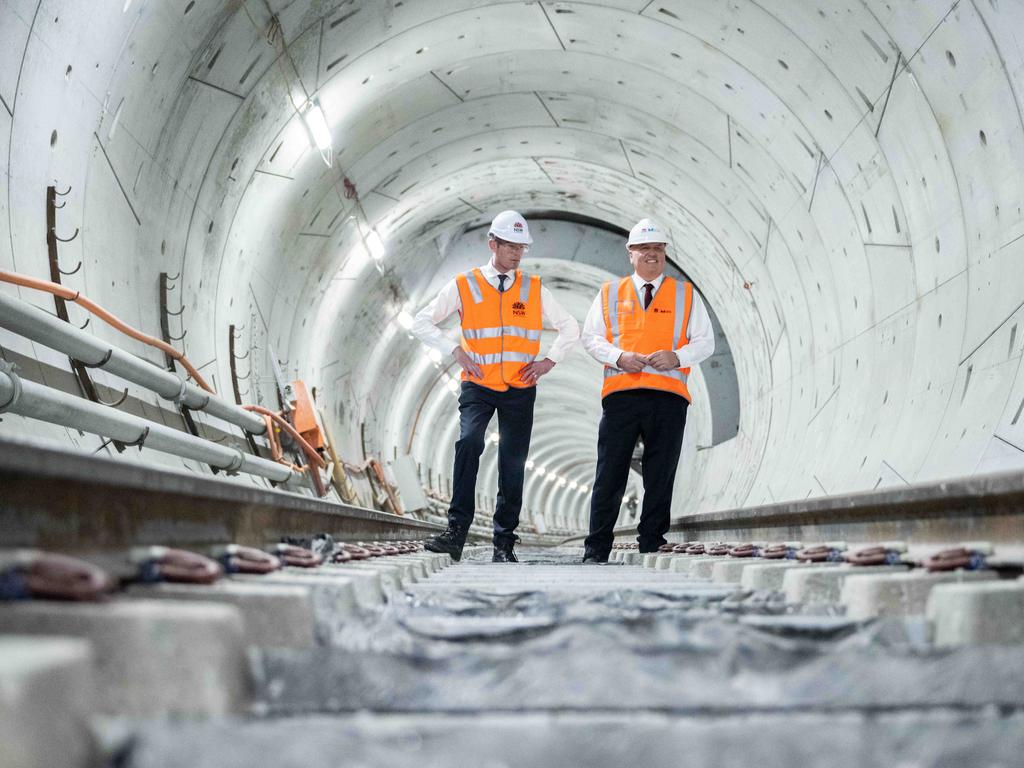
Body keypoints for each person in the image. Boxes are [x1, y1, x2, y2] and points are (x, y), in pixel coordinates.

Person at [412, 211, 580, 562]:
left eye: (522, 248)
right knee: (469, 441)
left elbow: (569, 327)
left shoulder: (534, 289)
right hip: (478, 383)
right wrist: (454, 349)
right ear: (493, 244)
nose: (517, 254)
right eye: (510, 247)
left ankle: (503, 543)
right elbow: (421, 321)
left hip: (520, 386)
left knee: (511, 462)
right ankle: (455, 532)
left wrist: (549, 360)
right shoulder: (465, 284)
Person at [579, 218, 715, 563]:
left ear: (665, 253)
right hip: (622, 394)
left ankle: (652, 543)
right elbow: (591, 338)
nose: (651, 255)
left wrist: (678, 356)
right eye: (644, 249)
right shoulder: (610, 293)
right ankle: (596, 549)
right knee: (610, 472)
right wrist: (620, 356)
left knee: (660, 472)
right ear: (630, 253)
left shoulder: (685, 295)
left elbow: (706, 342)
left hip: (668, 397)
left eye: (657, 249)